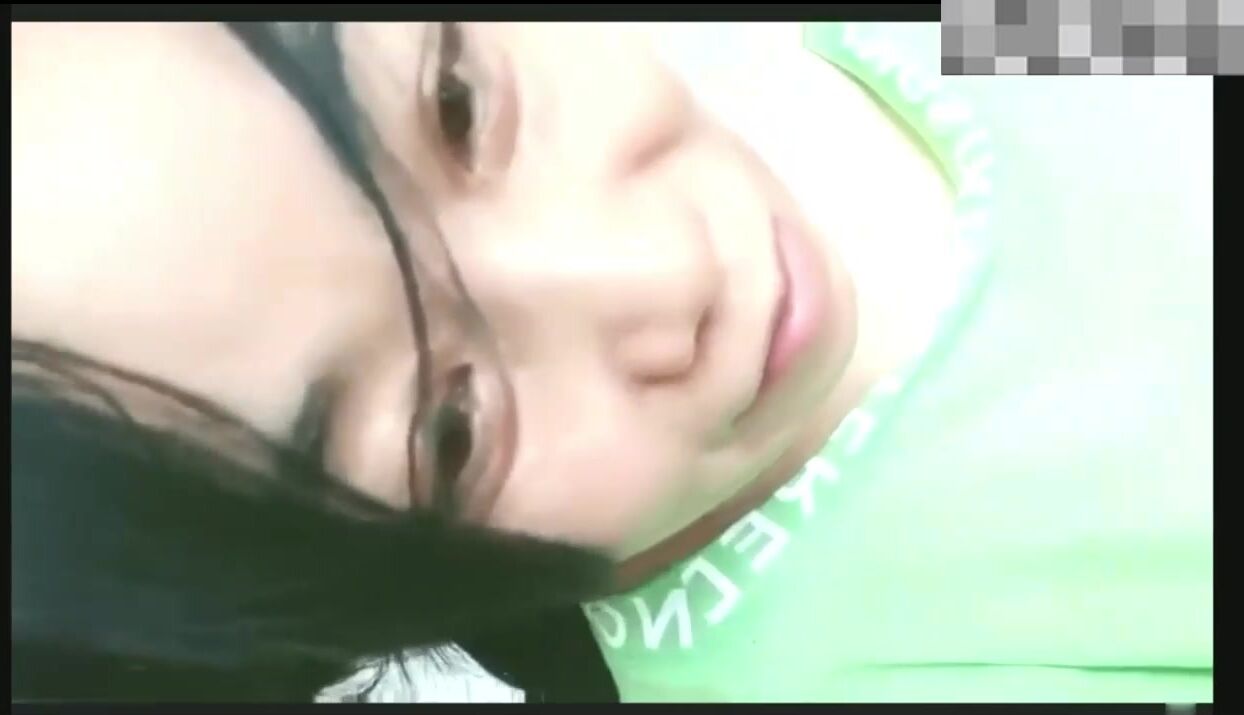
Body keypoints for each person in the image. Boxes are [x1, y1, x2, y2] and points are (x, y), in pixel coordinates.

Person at [11, 21, 1212, 703]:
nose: (658, 272)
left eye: (457, 105)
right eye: (452, 432)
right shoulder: (876, 671)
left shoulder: (835, 46)